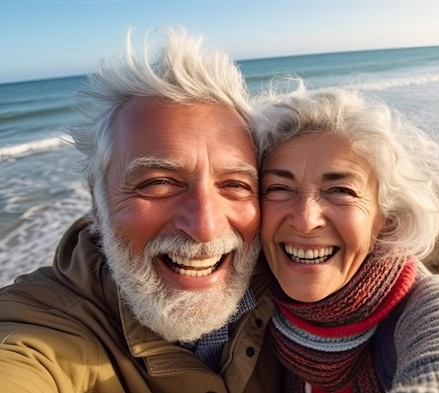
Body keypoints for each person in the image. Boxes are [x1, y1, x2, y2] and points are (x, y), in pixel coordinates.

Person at [0, 28, 281, 392]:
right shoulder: (39, 328)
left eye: (235, 185)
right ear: (96, 203)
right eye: (157, 184)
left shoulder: (296, 283)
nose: (206, 226)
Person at [253, 82, 439, 392]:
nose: (306, 220)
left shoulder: (430, 307)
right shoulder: (243, 301)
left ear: (385, 219)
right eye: (279, 189)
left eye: (341, 191)